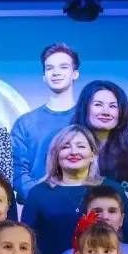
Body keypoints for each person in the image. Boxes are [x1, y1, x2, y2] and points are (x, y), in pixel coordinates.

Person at [22, 123, 128, 254]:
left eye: (81, 146)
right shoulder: (39, 193)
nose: (73, 152)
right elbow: (25, 241)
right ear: (55, 155)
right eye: (65, 147)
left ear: (93, 154)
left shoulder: (112, 189)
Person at [70, 80, 128, 238]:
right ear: (85, 108)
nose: (106, 112)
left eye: (113, 106)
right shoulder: (67, 154)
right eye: (98, 105)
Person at [13, 44, 81, 202]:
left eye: (63, 67)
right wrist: (41, 199)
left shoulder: (88, 119)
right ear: (44, 76)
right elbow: (17, 170)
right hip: (37, 206)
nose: (56, 73)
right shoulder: (25, 123)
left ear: (75, 74)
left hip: (84, 206)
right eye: (50, 68)